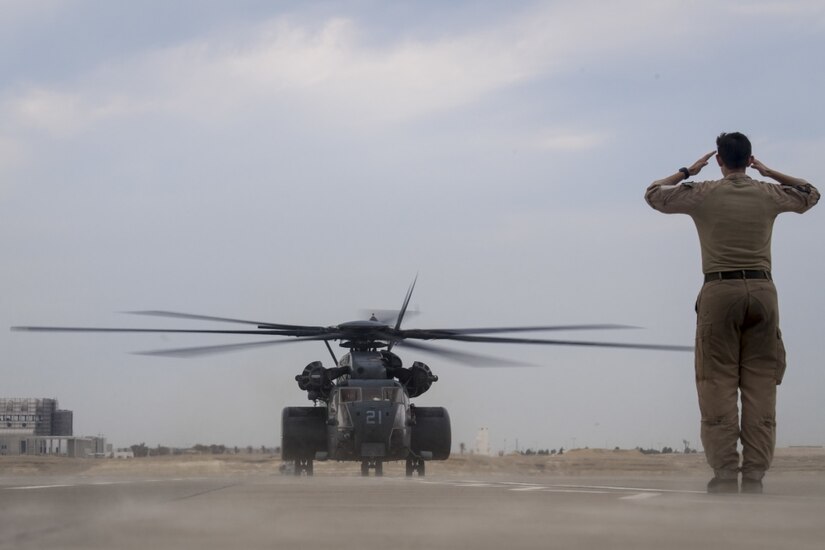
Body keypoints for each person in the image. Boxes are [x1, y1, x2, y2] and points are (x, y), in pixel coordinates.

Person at [645, 132, 819, 494]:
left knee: (717, 385)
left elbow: (653, 194)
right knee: (760, 388)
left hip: (719, 291)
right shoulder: (768, 193)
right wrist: (770, 172)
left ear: (720, 160)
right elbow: (810, 193)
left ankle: (725, 474)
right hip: (763, 292)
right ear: (750, 159)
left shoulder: (704, 192)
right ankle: (754, 476)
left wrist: (685, 171)